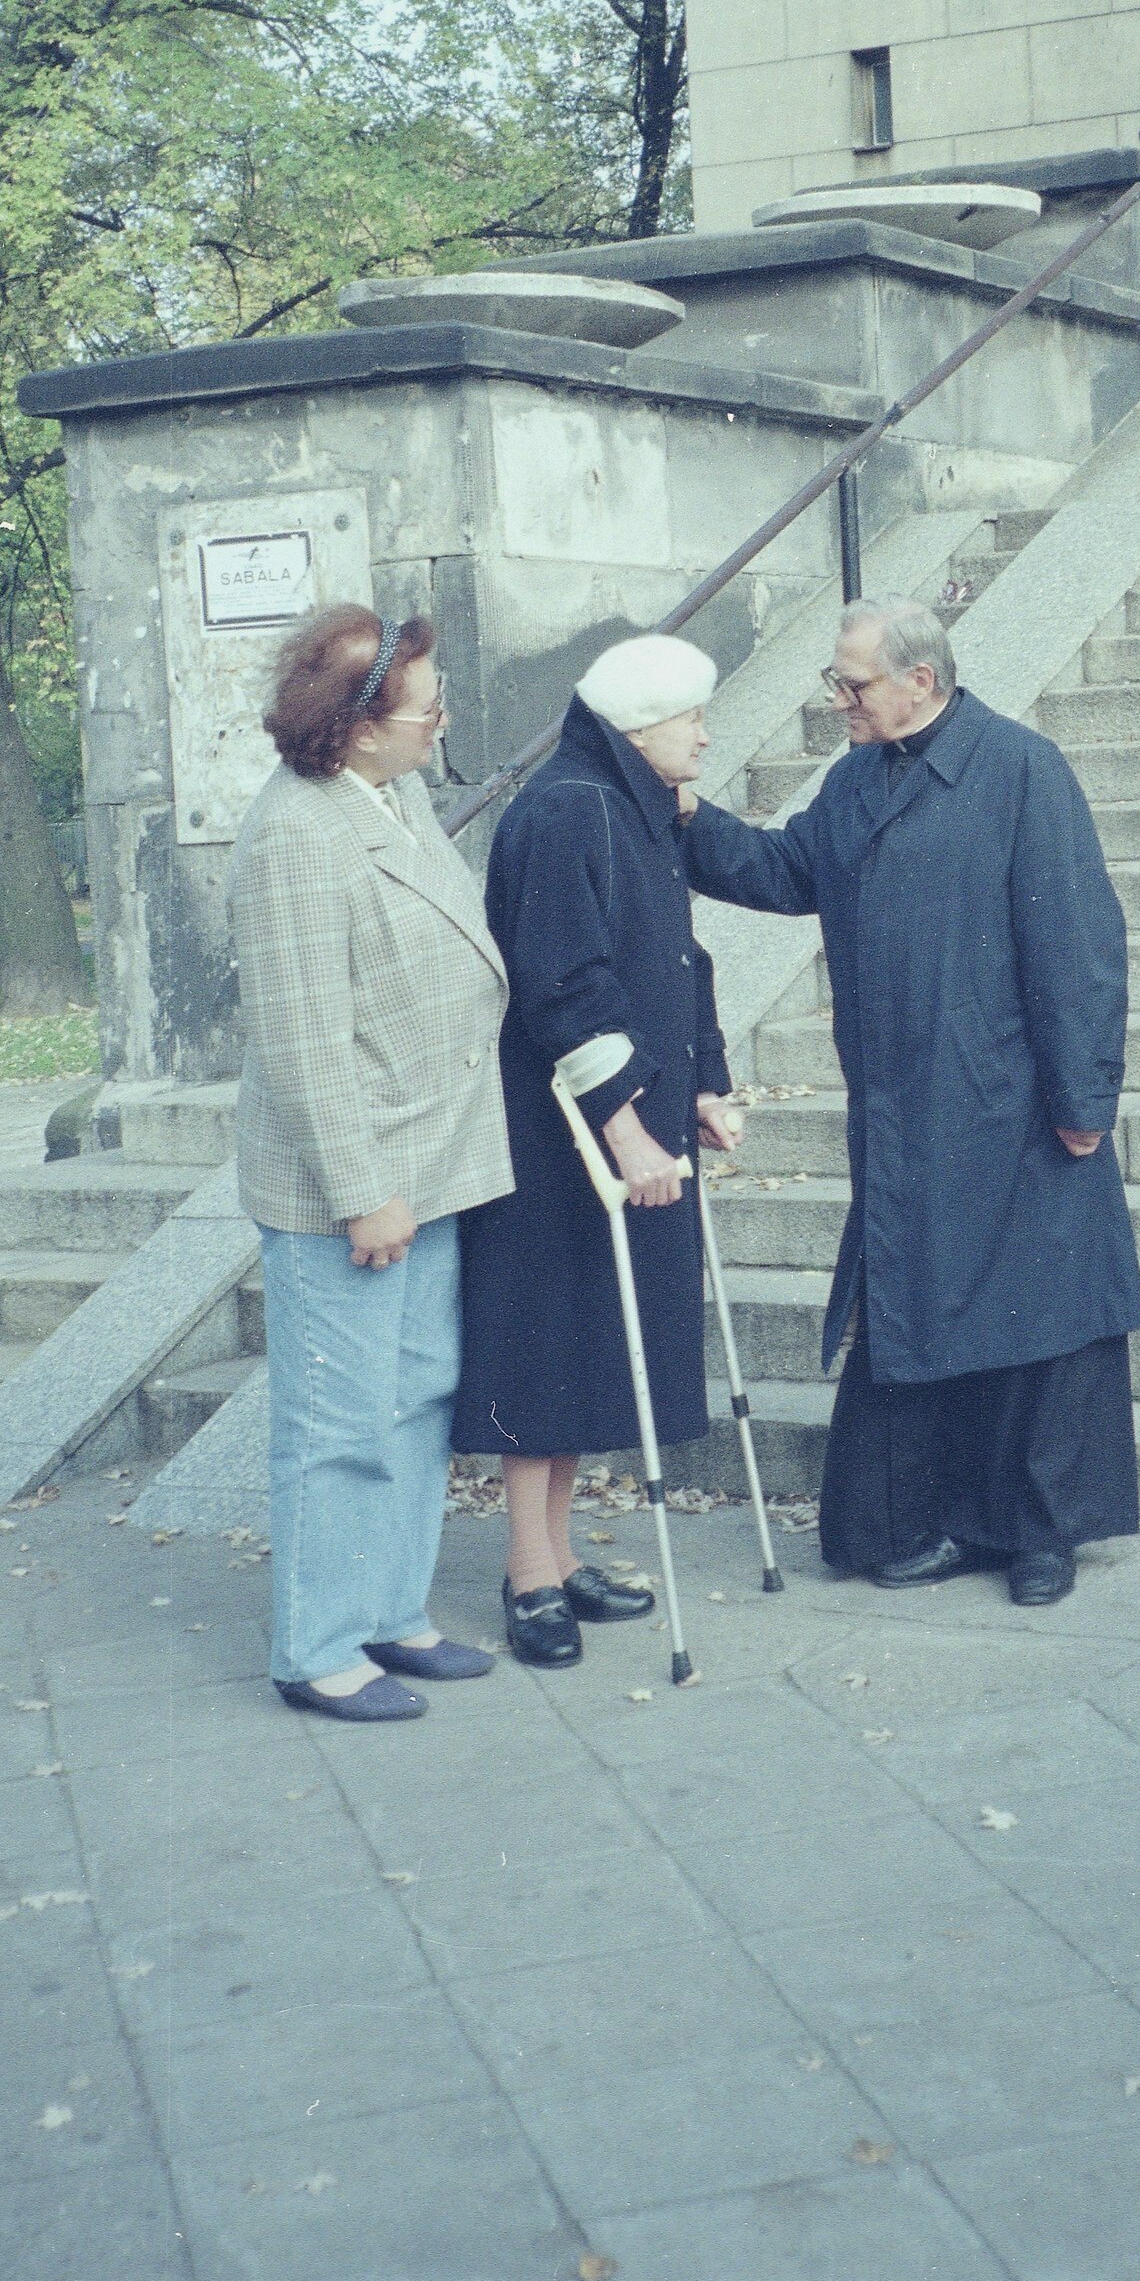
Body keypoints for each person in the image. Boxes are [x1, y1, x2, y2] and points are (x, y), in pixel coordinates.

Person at [682, 598, 1140, 1606]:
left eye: (851, 684)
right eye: (836, 683)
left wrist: (1083, 1096)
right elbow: (785, 868)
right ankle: (937, 1521)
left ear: (920, 681)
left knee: (1038, 1322)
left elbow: (1077, 944)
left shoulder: (1021, 769)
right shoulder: (856, 778)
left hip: (1013, 1103)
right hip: (909, 1109)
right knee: (929, 1308)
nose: (837, 700)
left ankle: (1039, 1537)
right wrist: (682, 816)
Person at [228, 604, 512, 1724]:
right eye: (427, 708)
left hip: (428, 1158)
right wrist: (362, 1194)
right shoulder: (295, 835)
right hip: (355, 1185)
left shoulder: (391, 794)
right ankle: (316, 1647)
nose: (442, 722)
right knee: (340, 1422)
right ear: (355, 725)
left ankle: (390, 1611)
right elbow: (302, 1042)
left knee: (414, 1400)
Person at [455, 634, 742, 1668]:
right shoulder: (568, 809)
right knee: (544, 1347)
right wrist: (627, 1127)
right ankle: (527, 1570)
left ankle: (560, 1552)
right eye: (692, 717)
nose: (704, 735)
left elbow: (679, 957)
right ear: (640, 725)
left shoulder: (630, 801)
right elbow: (562, 985)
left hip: (619, 1119)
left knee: (582, 1341)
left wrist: (703, 1083)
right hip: (563, 1131)